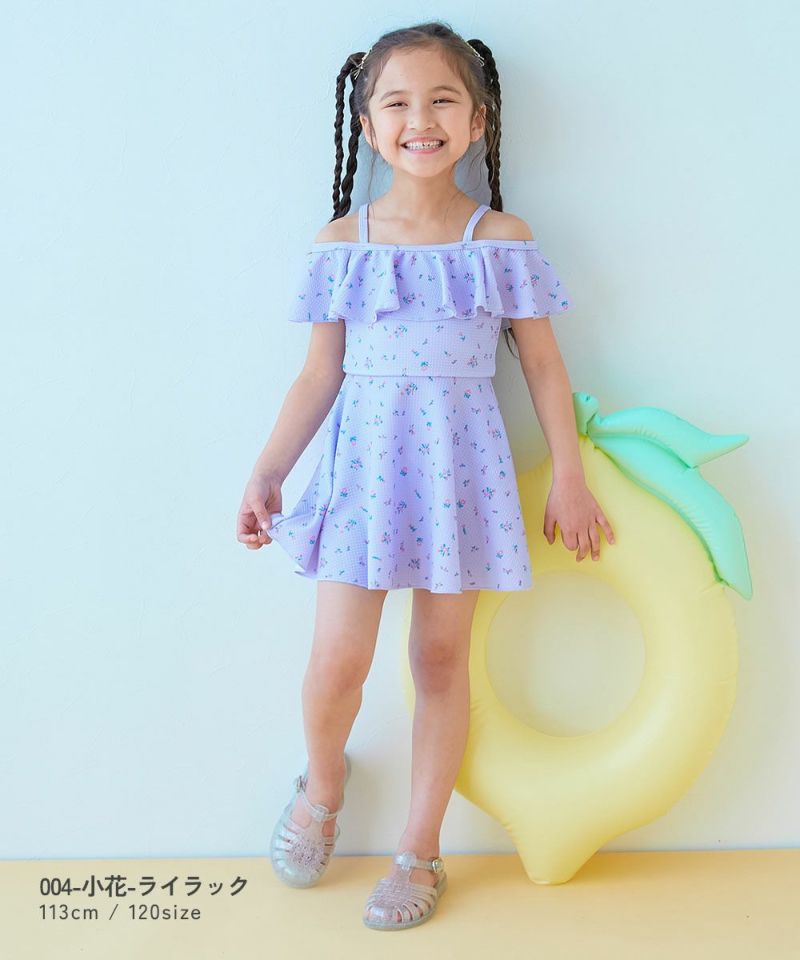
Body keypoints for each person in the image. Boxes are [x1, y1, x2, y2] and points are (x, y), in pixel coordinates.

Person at [236, 21, 615, 931]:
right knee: (338, 662)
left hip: (459, 476)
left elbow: (544, 367)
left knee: (441, 661)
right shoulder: (344, 243)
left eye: (443, 100)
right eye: (398, 103)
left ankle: (419, 848)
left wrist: (570, 475)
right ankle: (323, 785)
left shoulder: (501, 239)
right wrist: (268, 470)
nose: (421, 120)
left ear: (477, 121)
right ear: (368, 128)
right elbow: (317, 375)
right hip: (362, 473)